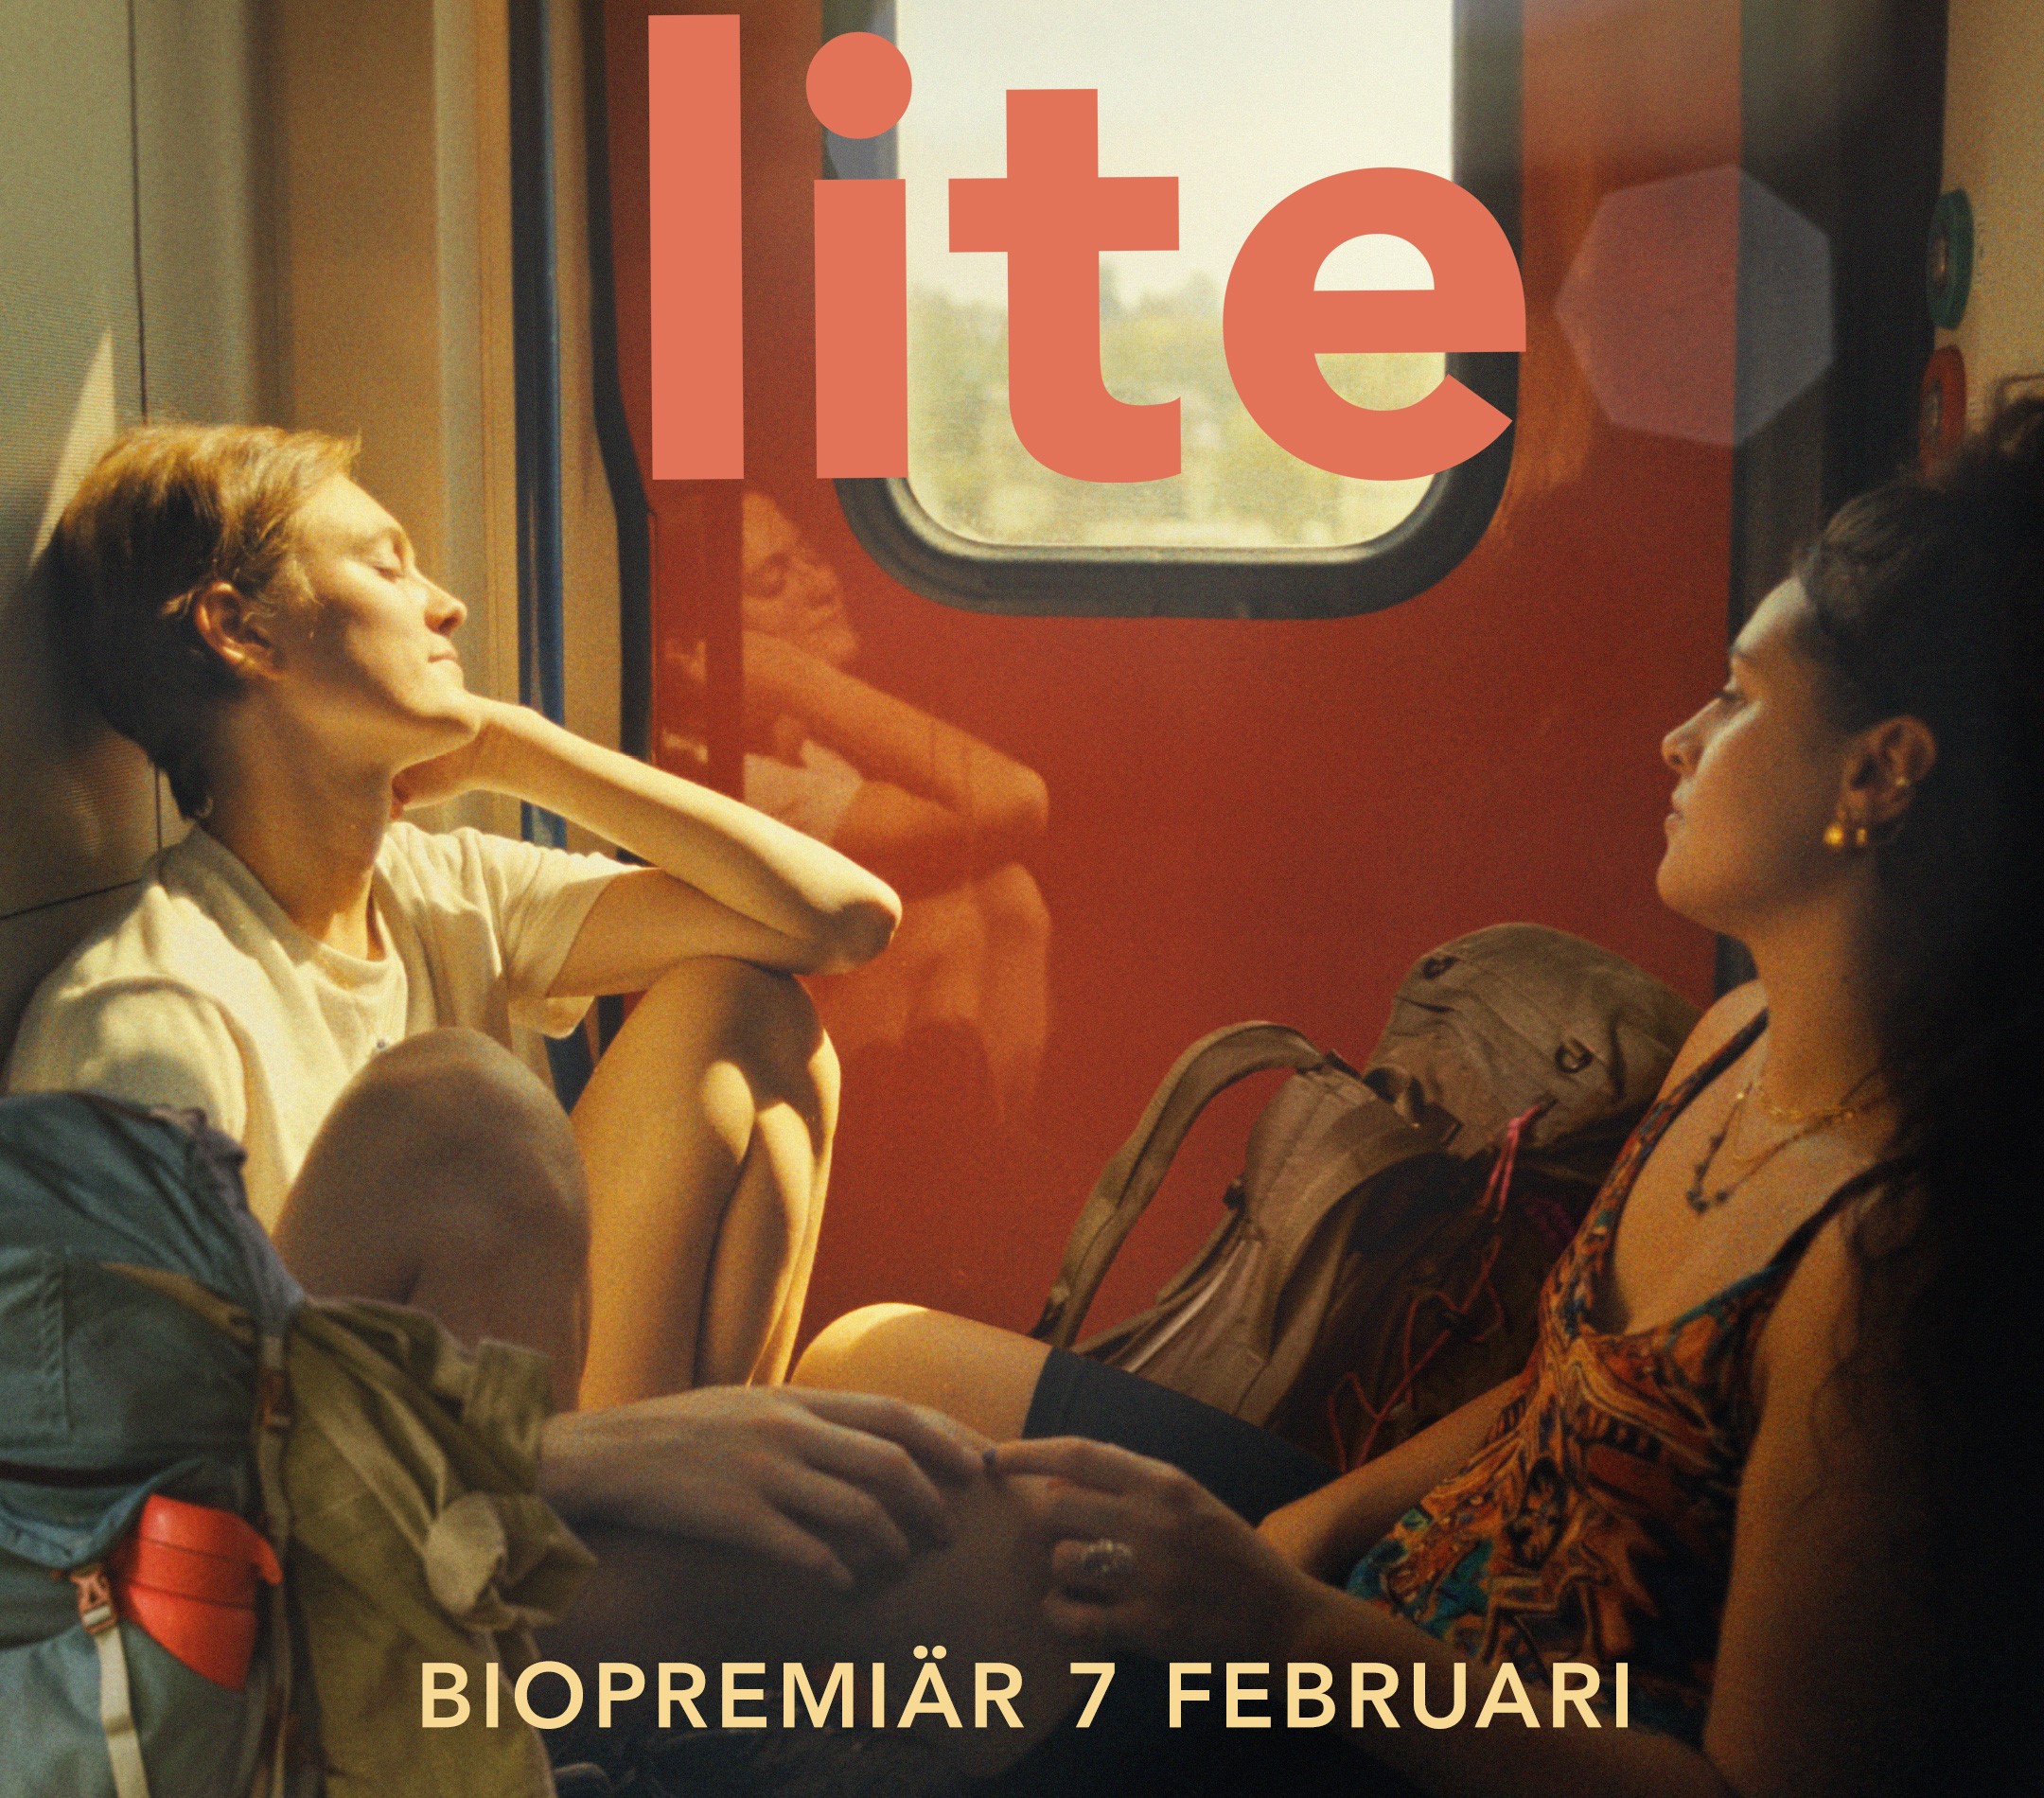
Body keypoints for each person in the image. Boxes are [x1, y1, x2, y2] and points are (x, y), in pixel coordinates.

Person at [696, 384, 2044, 1796]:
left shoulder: (1886, 1264)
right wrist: (1306, 1534)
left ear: (1880, 773)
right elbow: (1549, 1397)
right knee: (869, 1369)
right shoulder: (1738, 1035)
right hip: (1394, 1595)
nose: (1681, 738)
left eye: (1741, 696)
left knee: (887, 1649)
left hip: (1461, 1733)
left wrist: (1282, 1635)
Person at [3, 423, 1003, 1606]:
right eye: (386, 566)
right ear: (241, 630)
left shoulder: (438, 890)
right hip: (334, 1603)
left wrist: (518, 749)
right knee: (464, 1106)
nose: (447, 604)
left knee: (745, 1013)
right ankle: (634, 1586)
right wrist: (563, 1460)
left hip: (510, 1517)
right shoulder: (146, 1014)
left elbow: (840, 919)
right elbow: (129, 1498)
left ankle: (674, 1563)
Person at [667, 488, 1052, 1118]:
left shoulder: (806, 757)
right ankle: (958, 1150)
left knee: (1008, 894)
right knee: (943, 923)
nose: (823, 587)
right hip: (760, 1092)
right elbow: (1012, 801)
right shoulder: (717, 777)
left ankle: (988, 1144)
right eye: (773, 581)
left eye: (813, 558)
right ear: (687, 650)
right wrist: (801, 678)